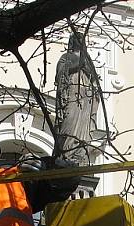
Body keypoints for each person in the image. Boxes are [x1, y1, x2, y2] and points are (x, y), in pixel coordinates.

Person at [54, 31, 101, 165]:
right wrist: (78, 64)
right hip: (72, 95)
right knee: (69, 124)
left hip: (86, 99)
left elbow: (95, 82)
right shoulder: (66, 56)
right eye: (77, 39)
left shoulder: (89, 61)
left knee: (83, 129)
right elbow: (60, 73)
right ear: (73, 42)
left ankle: (79, 155)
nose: (79, 42)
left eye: (81, 40)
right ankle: (66, 154)